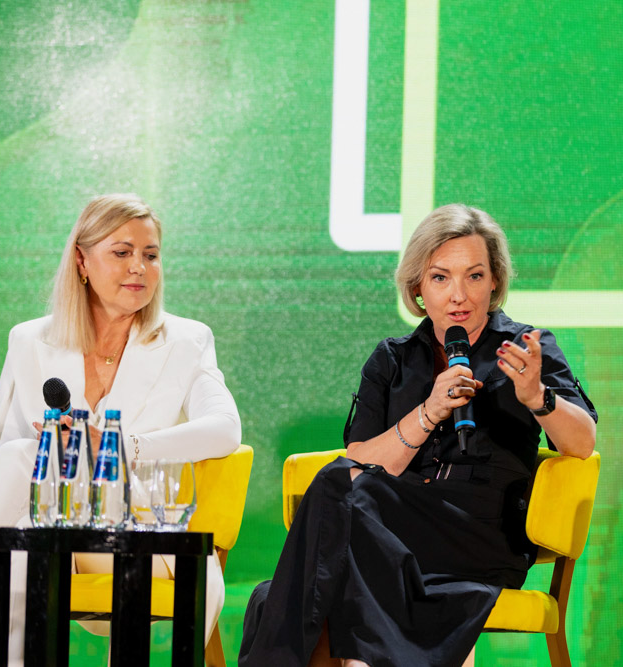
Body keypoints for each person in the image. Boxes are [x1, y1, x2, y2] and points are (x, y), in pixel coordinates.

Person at [239, 204, 597, 667]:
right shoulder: (392, 359)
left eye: (474, 276)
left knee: (294, 580)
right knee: (321, 521)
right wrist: (428, 411)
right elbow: (361, 460)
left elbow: (582, 443)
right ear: (418, 289)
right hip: (390, 540)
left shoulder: (526, 348)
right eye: (440, 278)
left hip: (481, 536)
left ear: (494, 281)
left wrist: (537, 397)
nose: (458, 295)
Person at [0, 193, 242, 664]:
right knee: (21, 484)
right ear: (82, 261)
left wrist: (117, 446)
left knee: (23, 470)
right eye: (122, 252)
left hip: (137, 530)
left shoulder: (186, 340)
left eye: (150, 255)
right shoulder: (29, 340)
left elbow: (225, 429)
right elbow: (0, 453)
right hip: (53, 529)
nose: (139, 267)